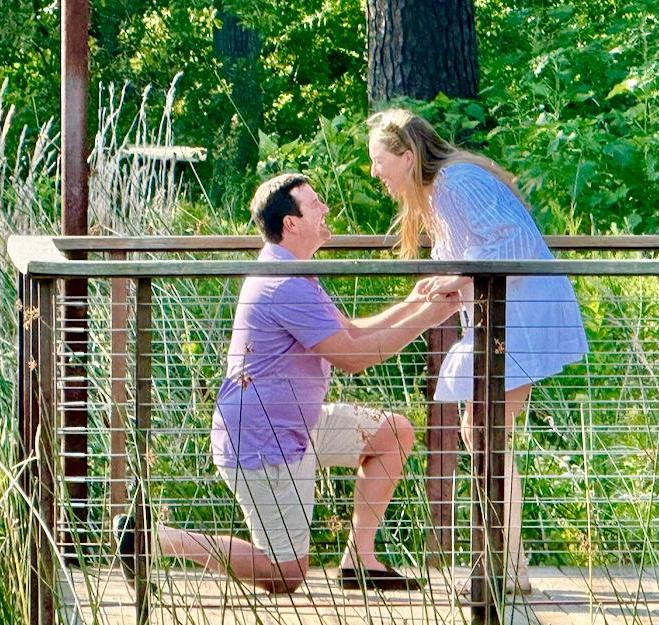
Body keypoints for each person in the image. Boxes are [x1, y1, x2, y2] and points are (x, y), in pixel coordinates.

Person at [114, 172, 460, 594]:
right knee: (285, 575)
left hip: (299, 425)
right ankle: (152, 539)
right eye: (315, 204)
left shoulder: (294, 271)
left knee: (392, 432)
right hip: (265, 440)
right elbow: (354, 357)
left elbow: (351, 331)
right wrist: (429, 316)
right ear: (291, 223)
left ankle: (360, 561)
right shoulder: (283, 284)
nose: (325, 209)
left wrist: (413, 304)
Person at [367, 109, 588, 593]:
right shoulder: (437, 194)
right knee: (485, 434)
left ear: (407, 156)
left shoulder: (456, 182)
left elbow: (515, 242)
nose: (374, 171)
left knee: (485, 433)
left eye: (379, 160)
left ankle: (503, 565)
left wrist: (457, 278)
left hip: (519, 318)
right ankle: (509, 564)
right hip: (501, 320)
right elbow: (461, 263)